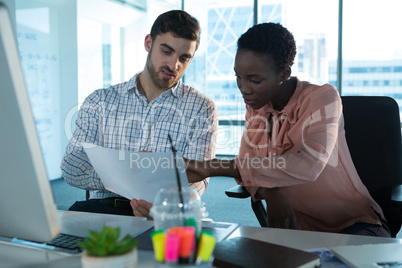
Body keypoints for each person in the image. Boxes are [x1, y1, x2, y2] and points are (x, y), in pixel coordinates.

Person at [185, 22, 391, 237]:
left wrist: (210, 167)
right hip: (297, 231)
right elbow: (246, 167)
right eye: (238, 76)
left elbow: (309, 164)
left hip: (351, 226)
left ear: (284, 73)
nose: (244, 88)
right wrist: (271, 192)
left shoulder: (323, 98)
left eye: (255, 80)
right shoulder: (256, 108)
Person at [61, 10, 217, 218]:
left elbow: (198, 181)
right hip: (104, 211)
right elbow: (72, 166)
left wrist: (164, 204)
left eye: (184, 58)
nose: (174, 65)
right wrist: (123, 177)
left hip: (165, 214)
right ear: (148, 43)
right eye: (167, 51)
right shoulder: (100, 101)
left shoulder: (202, 108)